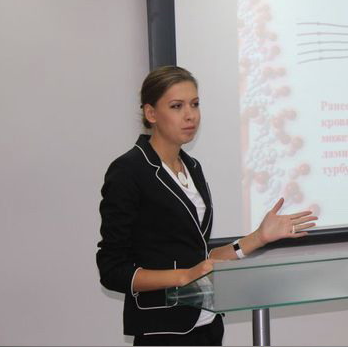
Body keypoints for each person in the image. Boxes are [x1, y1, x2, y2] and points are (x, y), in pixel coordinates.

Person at [96, 66, 317, 346]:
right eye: (177, 106)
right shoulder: (129, 170)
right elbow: (112, 270)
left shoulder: (192, 167)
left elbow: (200, 259)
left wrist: (258, 238)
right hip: (164, 331)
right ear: (151, 113)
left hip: (208, 324)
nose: (190, 115)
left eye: (195, 104)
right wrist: (183, 276)